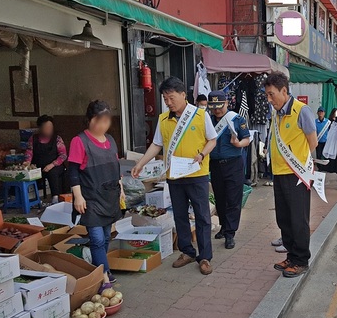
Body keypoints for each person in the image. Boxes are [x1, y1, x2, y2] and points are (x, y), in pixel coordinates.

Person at [132, 77, 218, 275]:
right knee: (180, 215)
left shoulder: (199, 115)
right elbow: (156, 145)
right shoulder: (163, 119)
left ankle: (205, 257)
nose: (168, 102)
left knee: (202, 216)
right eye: (164, 98)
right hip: (174, 176)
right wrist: (140, 163)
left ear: (182, 95)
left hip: (197, 174)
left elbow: (212, 140)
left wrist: (202, 154)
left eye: (171, 98)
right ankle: (187, 252)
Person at [265, 72, 317, 278]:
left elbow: (312, 143)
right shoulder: (276, 113)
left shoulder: (301, 111)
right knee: (284, 218)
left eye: (272, 94)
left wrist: (303, 165)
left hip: (296, 174)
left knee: (298, 219)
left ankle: (301, 260)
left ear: (284, 91)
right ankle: (291, 255)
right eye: (267, 95)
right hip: (278, 173)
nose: (269, 99)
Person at [68, 100, 122, 283]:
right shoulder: (79, 141)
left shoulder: (111, 140)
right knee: (97, 239)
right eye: (101, 120)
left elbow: (116, 167)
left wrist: (120, 189)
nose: (104, 125)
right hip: (90, 197)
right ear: (90, 120)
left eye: (107, 121)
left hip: (109, 196)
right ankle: (104, 277)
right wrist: (78, 197)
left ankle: (101, 268)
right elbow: (73, 171)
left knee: (106, 237)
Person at [207, 90, 250, 249]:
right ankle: (224, 226)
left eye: (220, 106)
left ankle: (230, 233)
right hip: (215, 165)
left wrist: (238, 143)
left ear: (226, 103)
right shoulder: (208, 120)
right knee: (220, 198)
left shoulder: (237, 119)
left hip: (233, 164)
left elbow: (247, 139)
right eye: (214, 107)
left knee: (233, 199)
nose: (217, 110)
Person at [23, 115, 67, 204]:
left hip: (55, 165)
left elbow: (63, 155)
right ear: (40, 128)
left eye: (50, 127)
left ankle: (55, 198)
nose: (49, 130)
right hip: (39, 165)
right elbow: (29, 152)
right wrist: (27, 162)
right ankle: (33, 200)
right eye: (46, 127)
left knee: (52, 173)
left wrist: (52, 165)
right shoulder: (33, 139)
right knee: (30, 173)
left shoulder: (57, 139)